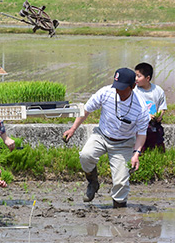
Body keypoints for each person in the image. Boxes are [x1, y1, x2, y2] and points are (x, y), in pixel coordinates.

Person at [62, 68, 149, 208]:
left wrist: (136, 153)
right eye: (116, 87)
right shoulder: (105, 92)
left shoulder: (141, 107)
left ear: (132, 86)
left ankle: (119, 208)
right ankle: (93, 181)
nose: (118, 91)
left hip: (124, 143)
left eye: (122, 88)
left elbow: (141, 133)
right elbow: (86, 109)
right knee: (86, 155)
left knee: (121, 182)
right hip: (102, 135)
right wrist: (73, 129)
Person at [134, 62, 167, 152]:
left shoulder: (158, 90)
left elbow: (162, 106)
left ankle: (158, 157)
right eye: (135, 75)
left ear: (147, 78)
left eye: (139, 76)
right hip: (140, 124)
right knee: (140, 146)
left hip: (154, 124)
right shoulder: (134, 91)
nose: (136, 79)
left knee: (158, 143)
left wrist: (160, 115)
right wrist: (147, 116)